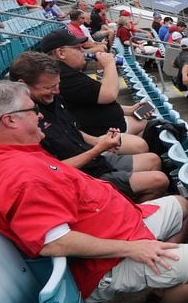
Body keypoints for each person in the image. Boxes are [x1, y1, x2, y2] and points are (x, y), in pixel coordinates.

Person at [0, 81, 188, 303]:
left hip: (125, 226)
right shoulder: (20, 176)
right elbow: (53, 242)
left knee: (181, 205)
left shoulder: (2, 153)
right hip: (106, 260)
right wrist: (134, 248)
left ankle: (164, 290)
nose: (40, 116)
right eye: (32, 110)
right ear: (10, 120)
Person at [9, 51, 168, 201]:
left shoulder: (53, 100)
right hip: (82, 178)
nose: (56, 91)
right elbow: (53, 170)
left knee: (153, 160)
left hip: (92, 160)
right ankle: (128, 217)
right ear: (22, 85)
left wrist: (100, 142)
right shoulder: (23, 124)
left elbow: (72, 130)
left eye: (57, 85)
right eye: (48, 87)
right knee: (158, 180)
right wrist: (98, 149)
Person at [35, 30, 148, 137]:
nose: (83, 51)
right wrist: (109, 64)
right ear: (60, 53)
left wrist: (130, 110)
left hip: (109, 126)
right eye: (78, 48)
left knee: (147, 129)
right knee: (151, 126)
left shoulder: (66, 71)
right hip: (104, 133)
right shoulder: (62, 75)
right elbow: (108, 94)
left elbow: (92, 99)